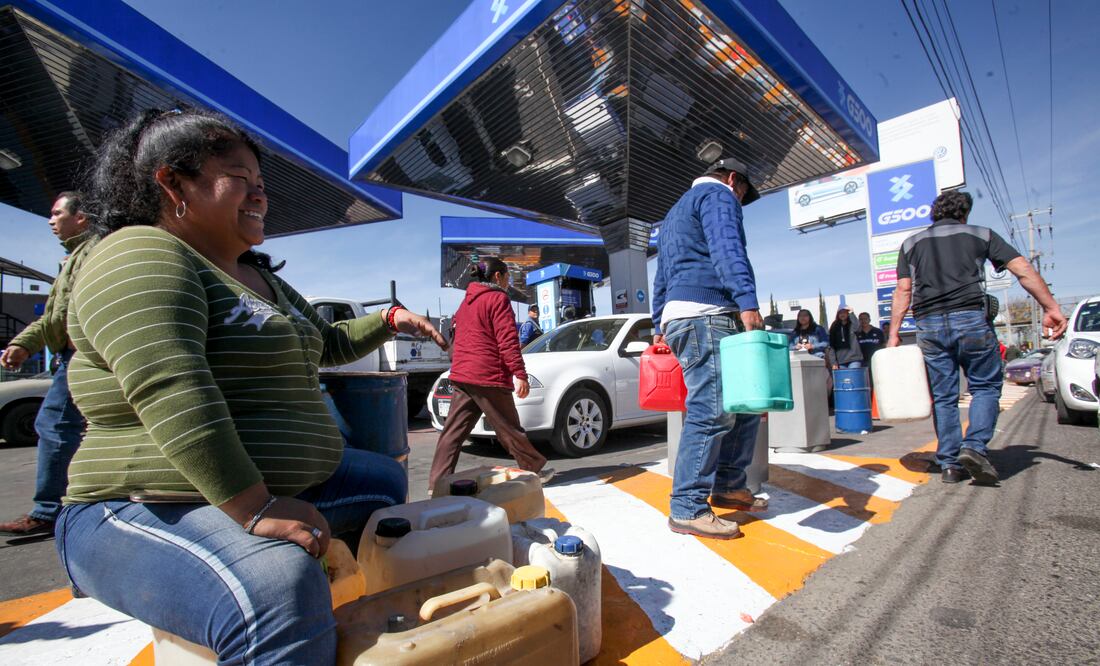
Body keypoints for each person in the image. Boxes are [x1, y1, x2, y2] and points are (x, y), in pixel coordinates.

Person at [55, 108, 447, 664]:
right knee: (274, 589)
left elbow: (326, 343)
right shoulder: (138, 252)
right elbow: (170, 383)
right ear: (172, 181)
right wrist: (254, 510)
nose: (260, 196)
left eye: (261, 186)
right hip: (143, 505)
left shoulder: (263, 278)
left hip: (264, 490)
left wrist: (388, 321)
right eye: (240, 180)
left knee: (382, 480)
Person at [888, 190, 1066, 484]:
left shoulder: (911, 243)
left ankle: (949, 464)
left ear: (935, 213)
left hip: (928, 325)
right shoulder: (981, 234)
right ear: (964, 213)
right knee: (984, 386)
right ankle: (973, 447)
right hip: (970, 318)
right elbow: (1021, 269)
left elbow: (903, 291)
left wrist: (894, 334)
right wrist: (1050, 307)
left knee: (944, 396)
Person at [651, 157, 765, 540]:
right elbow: (728, 248)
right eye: (743, 191)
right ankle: (687, 507)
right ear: (733, 178)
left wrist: (658, 322)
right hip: (709, 313)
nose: (740, 198)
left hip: (683, 315)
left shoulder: (674, 212)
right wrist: (747, 301)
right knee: (712, 409)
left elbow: (662, 273)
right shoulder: (718, 196)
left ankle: (729, 483)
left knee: (742, 404)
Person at [0, 192, 97, 537]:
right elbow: (56, 316)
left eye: (57, 213)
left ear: (81, 217)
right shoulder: (73, 259)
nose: (50, 220)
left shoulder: (93, 253)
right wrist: (23, 343)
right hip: (72, 355)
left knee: (55, 424)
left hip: (82, 355)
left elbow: (78, 312)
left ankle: (49, 510)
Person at [430, 258, 553, 490]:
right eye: (507, 276)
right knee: (509, 428)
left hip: (462, 375)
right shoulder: (498, 299)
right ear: (498, 276)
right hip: (488, 375)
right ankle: (532, 469)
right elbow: (507, 340)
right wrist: (520, 373)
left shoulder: (465, 303)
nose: (508, 282)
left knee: (453, 433)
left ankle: (437, 482)